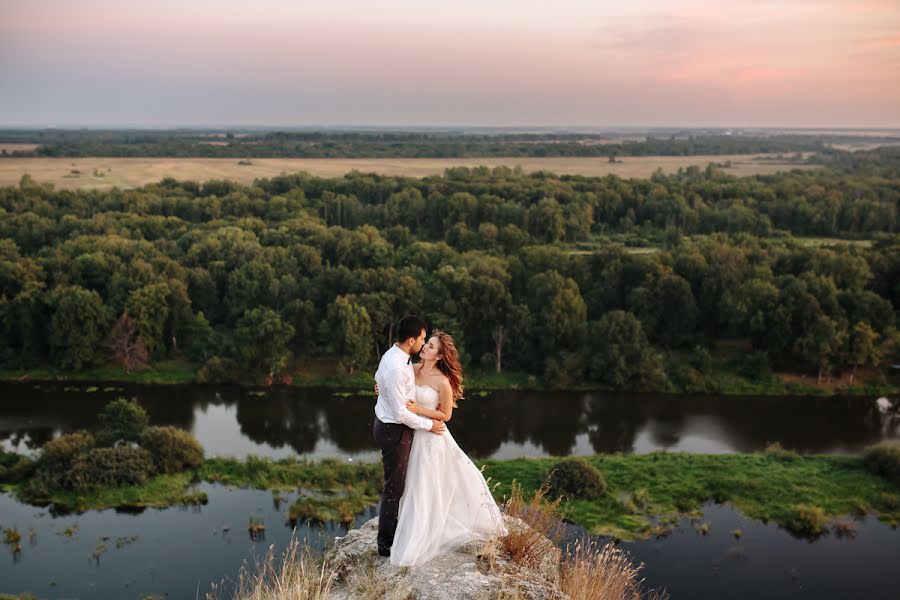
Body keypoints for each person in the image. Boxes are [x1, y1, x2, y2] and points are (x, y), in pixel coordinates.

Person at [389, 329, 508, 566]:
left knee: (426, 484)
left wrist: (419, 410)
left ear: (440, 356)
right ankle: (413, 525)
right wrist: (382, 389)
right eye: (426, 344)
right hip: (414, 435)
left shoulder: (442, 382)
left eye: (431, 347)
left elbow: (445, 415)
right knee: (412, 484)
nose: (425, 348)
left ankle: (426, 531)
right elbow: (394, 385)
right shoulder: (412, 369)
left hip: (433, 438)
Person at [373, 315, 446, 558]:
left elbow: (378, 378)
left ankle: (400, 533)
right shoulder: (397, 367)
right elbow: (401, 413)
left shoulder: (395, 357)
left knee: (401, 484)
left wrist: (382, 388)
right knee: (394, 488)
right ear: (412, 340)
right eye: (423, 339)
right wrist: (429, 424)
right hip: (394, 430)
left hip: (392, 426)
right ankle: (386, 545)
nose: (423, 344)